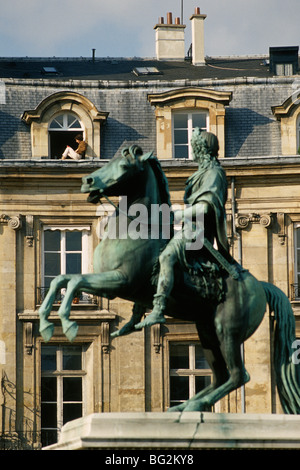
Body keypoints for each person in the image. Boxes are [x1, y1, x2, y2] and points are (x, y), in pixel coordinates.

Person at [135, 128, 229, 329]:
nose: (191, 151)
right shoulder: (202, 173)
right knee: (151, 256)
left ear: (200, 149)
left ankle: (159, 309)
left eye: (193, 146)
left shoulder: (214, 173)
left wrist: (178, 214)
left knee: (166, 257)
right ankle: (137, 313)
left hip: (198, 233)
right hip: (188, 229)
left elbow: (206, 206)